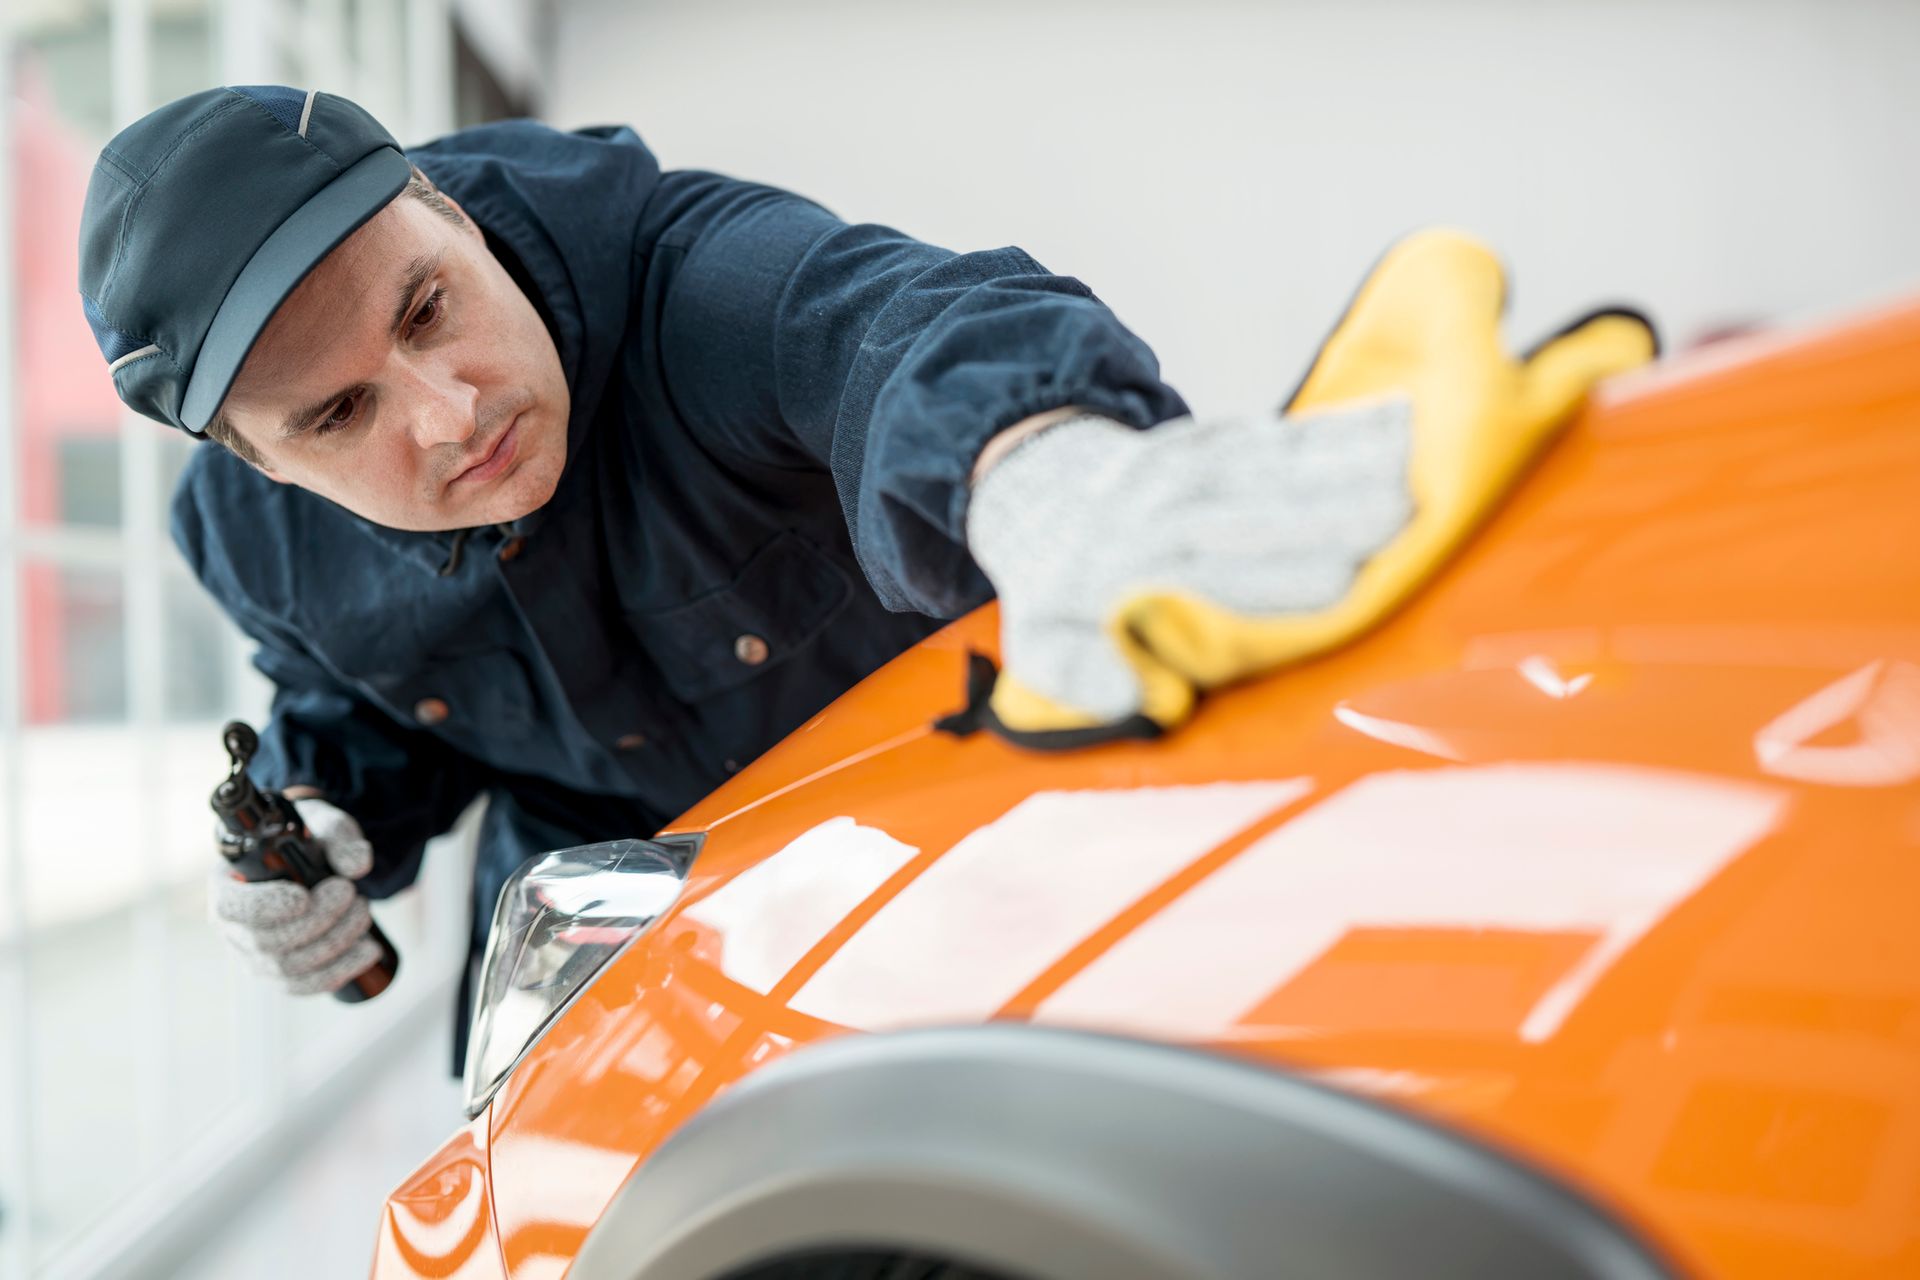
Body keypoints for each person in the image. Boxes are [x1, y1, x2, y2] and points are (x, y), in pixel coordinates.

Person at [77, 87, 1654, 1070]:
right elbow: (357, 700)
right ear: (259, 463)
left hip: (949, 861)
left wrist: (1038, 460)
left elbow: (896, 329)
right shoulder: (247, 542)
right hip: (610, 959)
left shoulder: (690, 275)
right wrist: (320, 814)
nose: (448, 413)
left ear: (446, 203)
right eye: (342, 416)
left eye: (429, 308)